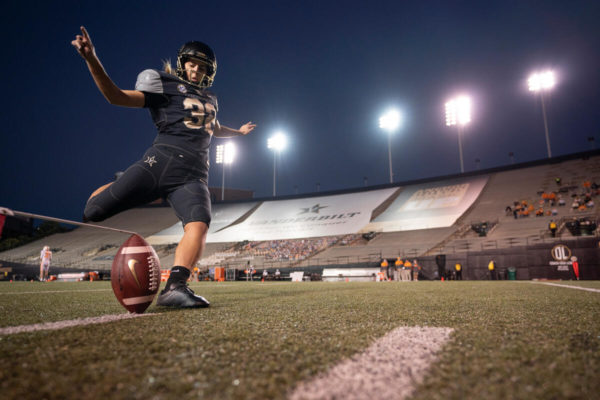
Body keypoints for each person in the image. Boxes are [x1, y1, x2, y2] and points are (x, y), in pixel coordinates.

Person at [71, 27, 255, 308]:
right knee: (93, 211)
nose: (196, 70)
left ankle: (175, 287)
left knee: (199, 223)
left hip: (193, 175)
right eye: (192, 63)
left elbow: (214, 128)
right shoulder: (163, 83)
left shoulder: (211, 99)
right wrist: (91, 59)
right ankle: (118, 181)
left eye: (202, 66)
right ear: (183, 64)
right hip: (160, 162)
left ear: (209, 72)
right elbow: (116, 96)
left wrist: (239, 133)